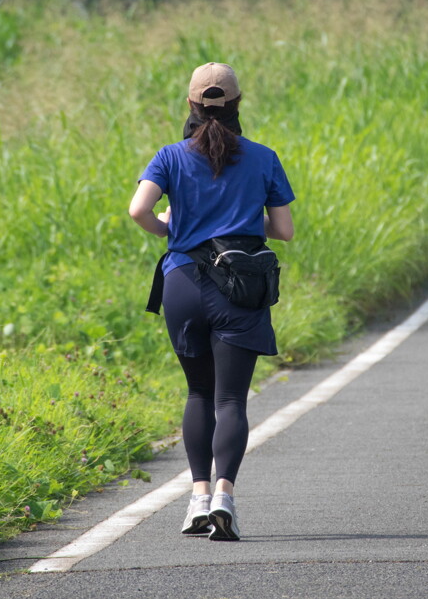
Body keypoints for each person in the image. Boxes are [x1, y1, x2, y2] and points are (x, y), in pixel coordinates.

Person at [128, 62, 295, 541]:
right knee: (230, 400)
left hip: (182, 280)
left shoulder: (169, 156)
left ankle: (197, 498)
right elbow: (283, 230)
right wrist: (241, 226)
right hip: (238, 285)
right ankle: (224, 496)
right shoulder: (264, 158)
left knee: (198, 392)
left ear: (191, 105)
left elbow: (138, 209)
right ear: (238, 104)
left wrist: (170, 228)